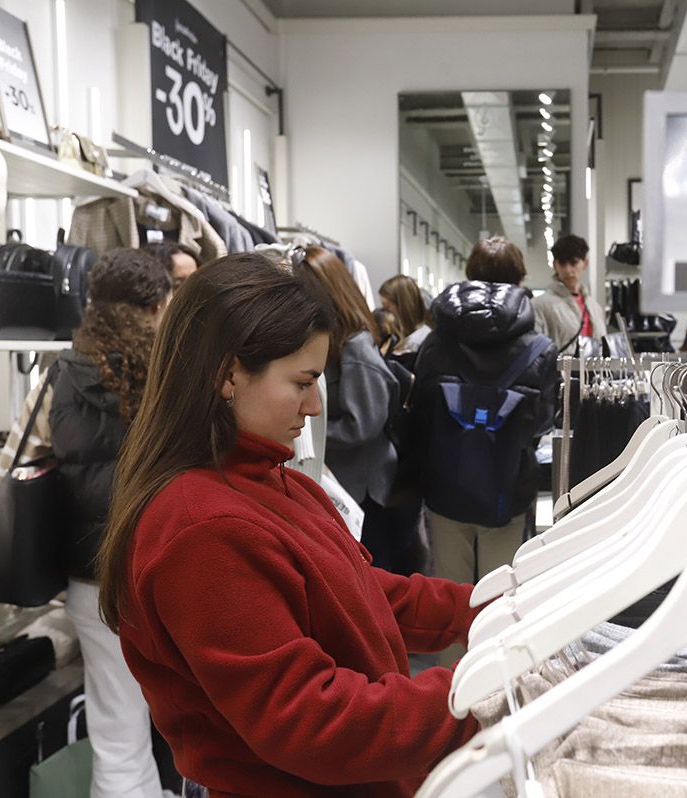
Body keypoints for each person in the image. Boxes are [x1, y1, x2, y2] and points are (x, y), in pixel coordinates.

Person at [97, 255, 481, 797]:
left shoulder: (275, 484)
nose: (316, 404)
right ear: (229, 373)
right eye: (303, 382)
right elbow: (312, 720)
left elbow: (362, 593)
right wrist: (478, 696)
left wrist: (493, 610)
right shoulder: (203, 529)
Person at [49, 248, 171, 798]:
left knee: (116, 732)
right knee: (187, 723)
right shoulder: (170, 375)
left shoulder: (66, 372)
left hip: (91, 572)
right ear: (155, 305)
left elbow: (40, 456)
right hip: (163, 569)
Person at [410, 237, 557, 664]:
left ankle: (448, 700)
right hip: (507, 490)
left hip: (444, 488)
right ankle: (496, 693)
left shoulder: (437, 344)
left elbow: (419, 414)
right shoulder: (538, 349)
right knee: (500, 599)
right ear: (521, 279)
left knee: (447, 601)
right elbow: (544, 423)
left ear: (470, 274)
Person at [295, 246, 422, 576]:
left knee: (376, 574)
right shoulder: (335, 341)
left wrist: (308, 436)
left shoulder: (354, 345)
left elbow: (363, 423)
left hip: (369, 489)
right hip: (350, 482)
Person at [532, 233, 608, 354]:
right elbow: (536, 350)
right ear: (555, 265)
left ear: (585, 264)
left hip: (595, 371)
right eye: (562, 263)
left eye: (574, 263)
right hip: (560, 371)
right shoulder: (540, 305)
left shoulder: (594, 308)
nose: (568, 270)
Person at [379, 274, 433, 362]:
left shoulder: (417, 341)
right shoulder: (400, 338)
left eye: (387, 308)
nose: (385, 315)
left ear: (403, 307)